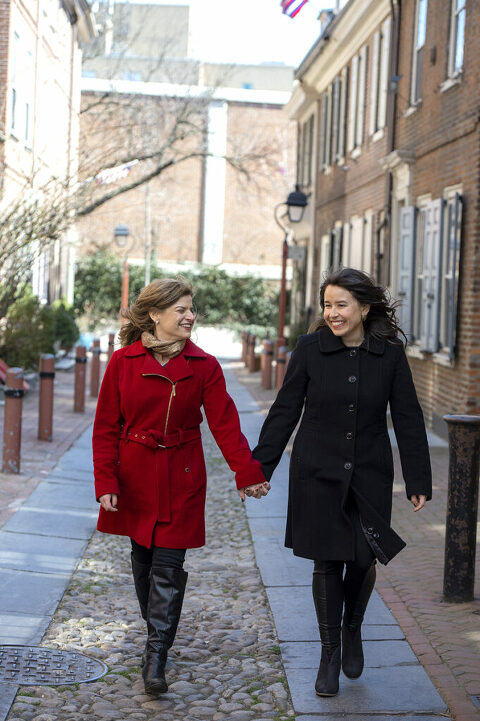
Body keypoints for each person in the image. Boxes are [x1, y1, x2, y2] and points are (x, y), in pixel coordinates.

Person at [249, 267, 432, 697]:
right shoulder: (310, 349)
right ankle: (329, 653)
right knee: (327, 561)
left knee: (365, 557)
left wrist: (417, 477)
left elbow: (407, 417)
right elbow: (285, 409)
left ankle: (353, 627)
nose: (332, 313)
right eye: (327, 305)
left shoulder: (389, 353)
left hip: (369, 469)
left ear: (364, 308)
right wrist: (259, 468)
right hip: (317, 469)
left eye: (341, 305)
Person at [92, 277, 269, 696]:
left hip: (183, 475)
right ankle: (155, 630)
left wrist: (247, 473)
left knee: (168, 565)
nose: (190, 316)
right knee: (142, 559)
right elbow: (105, 427)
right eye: (181, 309)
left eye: (192, 309)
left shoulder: (204, 366)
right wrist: (106, 480)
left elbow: (225, 424)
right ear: (155, 314)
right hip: (134, 475)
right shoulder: (123, 362)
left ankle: (156, 656)